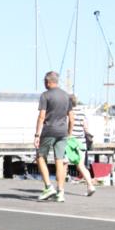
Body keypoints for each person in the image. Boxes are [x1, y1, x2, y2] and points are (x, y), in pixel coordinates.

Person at [35, 71, 73, 202]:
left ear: (48, 81)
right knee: (60, 160)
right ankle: (60, 192)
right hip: (62, 131)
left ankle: (48, 187)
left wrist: (37, 134)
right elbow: (71, 118)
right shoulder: (66, 96)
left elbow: (41, 116)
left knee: (40, 157)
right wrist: (69, 132)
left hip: (49, 130)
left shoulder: (45, 96)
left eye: (44, 81)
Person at [68, 95, 96, 196]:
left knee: (64, 162)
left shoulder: (70, 113)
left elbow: (68, 124)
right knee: (81, 165)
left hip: (72, 142)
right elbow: (85, 127)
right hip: (82, 143)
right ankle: (90, 186)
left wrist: (68, 135)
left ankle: (60, 188)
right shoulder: (82, 112)